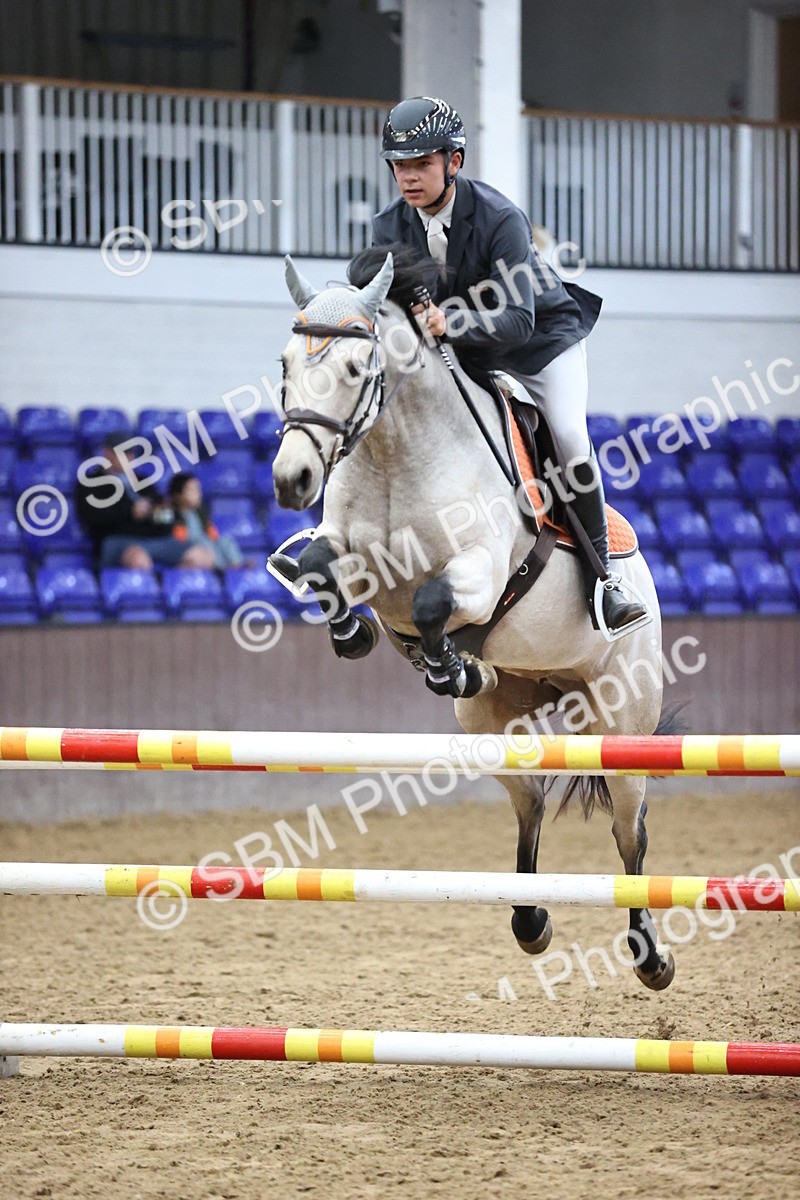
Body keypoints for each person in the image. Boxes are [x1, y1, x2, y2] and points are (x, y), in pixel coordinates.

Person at [373, 95, 649, 636]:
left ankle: (605, 580)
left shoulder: (500, 218)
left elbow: (518, 320)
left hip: (541, 343)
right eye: (400, 166)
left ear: (454, 162)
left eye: (422, 164)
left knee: (568, 435)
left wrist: (449, 322)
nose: (408, 178)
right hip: (465, 351)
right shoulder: (389, 226)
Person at [76, 436, 216, 570]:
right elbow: (93, 519)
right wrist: (130, 512)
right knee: (138, 560)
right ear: (107, 453)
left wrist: (157, 512)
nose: (129, 458)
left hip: (156, 539)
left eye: (131, 453)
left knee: (203, 557)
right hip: (118, 540)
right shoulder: (91, 483)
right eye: (123, 453)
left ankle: (168, 588)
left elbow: (167, 516)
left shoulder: (143, 482)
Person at [166, 472, 246, 569]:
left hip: (208, 546)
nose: (198, 494)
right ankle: (222, 572)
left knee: (226, 541)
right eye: (192, 490)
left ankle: (237, 568)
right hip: (192, 549)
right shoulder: (173, 515)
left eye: (198, 490)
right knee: (202, 546)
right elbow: (179, 541)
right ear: (178, 495)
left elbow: (213, 535)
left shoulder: (200, 514)